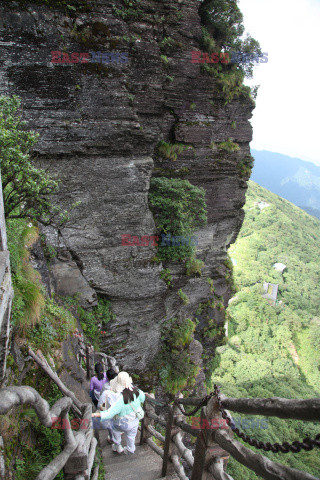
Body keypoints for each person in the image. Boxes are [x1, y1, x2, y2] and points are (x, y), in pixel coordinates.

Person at [92, 371, 145, 455]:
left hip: (121, 423)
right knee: (131, 436)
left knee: (115, 430)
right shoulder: (137, 391)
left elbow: (109, 413)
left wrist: (95, 414)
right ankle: (131, 449)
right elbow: (142, 398)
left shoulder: (120, 400)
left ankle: (118, 446)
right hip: (134, 421)